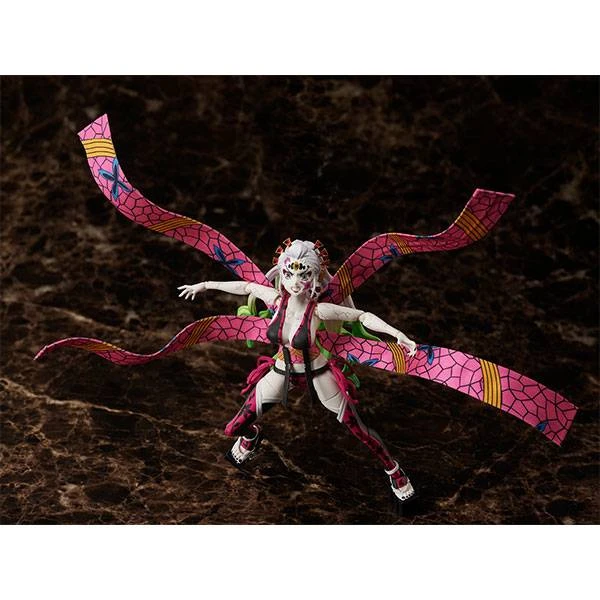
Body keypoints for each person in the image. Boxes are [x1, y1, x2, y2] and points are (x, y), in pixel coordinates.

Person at [178, 239, 417, 503]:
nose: (295, 282)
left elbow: (361, 316)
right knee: (234, 427)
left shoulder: (319, 311)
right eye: (289, 273)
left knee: (357, 426)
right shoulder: (275, 300)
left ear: (313, 277)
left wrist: (397, 334)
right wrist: (205, 285)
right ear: (282, 272)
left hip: (319, 374)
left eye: (303, 275)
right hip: (281, 372)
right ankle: (252, 436)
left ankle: (394, 470)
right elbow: (245, 287)